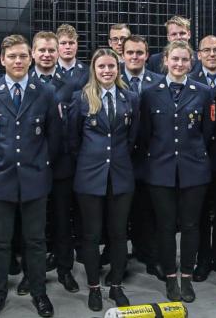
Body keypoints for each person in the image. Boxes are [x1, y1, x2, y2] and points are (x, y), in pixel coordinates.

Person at [0, 34, 62, 318]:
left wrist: (40, 164)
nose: (18, 61)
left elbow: (54, 137)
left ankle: (39, 292)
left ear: (31, 58)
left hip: (35, 178)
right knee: (0, 241)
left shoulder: (45, 92)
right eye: (12, 56)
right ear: (2, 60)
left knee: (35, 240)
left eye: (23, 56)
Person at [138, 40, 214, 303]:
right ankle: (171, 276)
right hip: (161, 170)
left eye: (184, 60)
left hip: (194, 170)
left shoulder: (204, 92)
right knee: (166, 226)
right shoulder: (149, 92)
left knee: (191, 226)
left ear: (191, 62)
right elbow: (146, 134)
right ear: (165, 61)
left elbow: (207, 133)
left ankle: (187, 277)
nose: (179, 64)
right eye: (175, 59)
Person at [68, 48, 139, 312]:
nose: (107, 71)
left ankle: (117, 285)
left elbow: (134, 137)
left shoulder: (130, 98)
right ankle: (94, 287)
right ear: (94, 71)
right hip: (89, 177)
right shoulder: (81, 98)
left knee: (119, 233)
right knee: (91, 234)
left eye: (111, 66)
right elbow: (73, 140)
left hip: (121, 176)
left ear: (117, 69)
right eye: (101, 67)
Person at [26, 31, 81, 294]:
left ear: (58, 53)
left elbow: (72, 127)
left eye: (51, 50)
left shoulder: (69, 85)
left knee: (62, 221)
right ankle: (31, 273)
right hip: (29, 166)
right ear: (33, 53)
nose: (47, 55)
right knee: (31, 225)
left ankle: (64, 269)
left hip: (61, 165)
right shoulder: (22, 82)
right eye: (42, 50)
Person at [122, 35, 165, 281]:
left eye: (139, 52)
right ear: (123, 55)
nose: (135, 57)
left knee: (150, 210)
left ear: (147, 55)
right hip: (121, 156)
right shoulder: (111, 79)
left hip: (151, 157)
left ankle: (150, 256)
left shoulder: (158, 82)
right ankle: (117, 255)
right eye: (130, 52)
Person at [190, 35, 216, 282]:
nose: (212, 54)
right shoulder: (191, 80)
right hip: (199, 157)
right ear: (199, 55)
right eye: (207, 50)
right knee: (201, 212)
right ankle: (203, 259)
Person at [56, 24, 89, 90]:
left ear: (77, 45)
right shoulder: (48, 70)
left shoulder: (88, 71)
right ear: (56, 46)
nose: (68, 47)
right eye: (63, 43)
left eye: (71, 43)